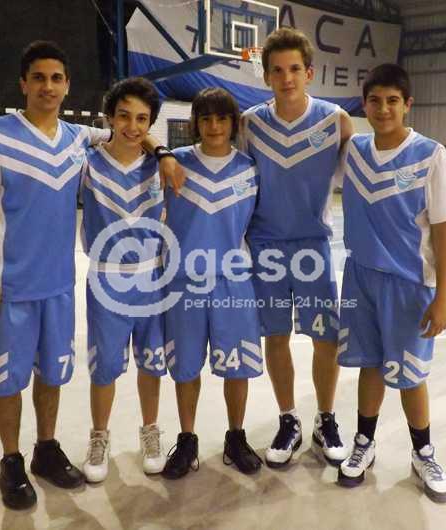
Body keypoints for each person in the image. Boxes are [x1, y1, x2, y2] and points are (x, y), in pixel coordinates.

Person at [0, 41, 183, 510]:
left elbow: (134, 131)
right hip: (10, 284)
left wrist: (163, 151)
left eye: (56, 78)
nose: (48, 86)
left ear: (67, 86)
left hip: (60, 285)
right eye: (39, 78)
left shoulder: (78, 139)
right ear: (24, 83)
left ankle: (46, 449)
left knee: (53, 373)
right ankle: (10, 461)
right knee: (8, 379)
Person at [336, 64, 446, 504]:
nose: (383, 109)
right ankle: (363, 443)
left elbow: (443, 230)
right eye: (375, 100)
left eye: (392, 101)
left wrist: (443, 297)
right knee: (369, 365)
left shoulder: (430, 154)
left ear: (407, 105)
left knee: (409, 375)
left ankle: (423, 454)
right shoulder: (353, 151)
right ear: (364, 105)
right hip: (360, 278)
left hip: (409, 284)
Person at [238, 27, 354, 469]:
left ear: (309, 73)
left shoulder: (335, 121)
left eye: (294, 70)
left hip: (312, 245)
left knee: (326, 336)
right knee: (276, 336)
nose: (286, 78)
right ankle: (289, 419)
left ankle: (326, 419)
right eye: (277, 71)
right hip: (265, 246)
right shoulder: (250, 124)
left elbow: (360, 175)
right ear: (266, 75)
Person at [161, 88, 263, 479]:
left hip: (233, 282)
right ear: (195, 124)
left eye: (221, 118)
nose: (214, 126)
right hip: (183, 282)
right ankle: (187, 440)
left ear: (233, 123)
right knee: (186, 367)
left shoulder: (249, 169)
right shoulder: (175, 163)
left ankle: (235, 437)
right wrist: (161, 152)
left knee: (237, 368)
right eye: (206, 118)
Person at [79, 77, 170, 483]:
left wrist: (161, 150)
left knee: (152, 363)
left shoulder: (161, 167)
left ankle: (150, 431)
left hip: (152, 278)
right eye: (124, 116)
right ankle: (99, 436)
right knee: (104, 368)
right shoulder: (87, 163)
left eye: (142, 119)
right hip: (106, 280)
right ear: (109, 118)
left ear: (150, 123)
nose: (132, 126)